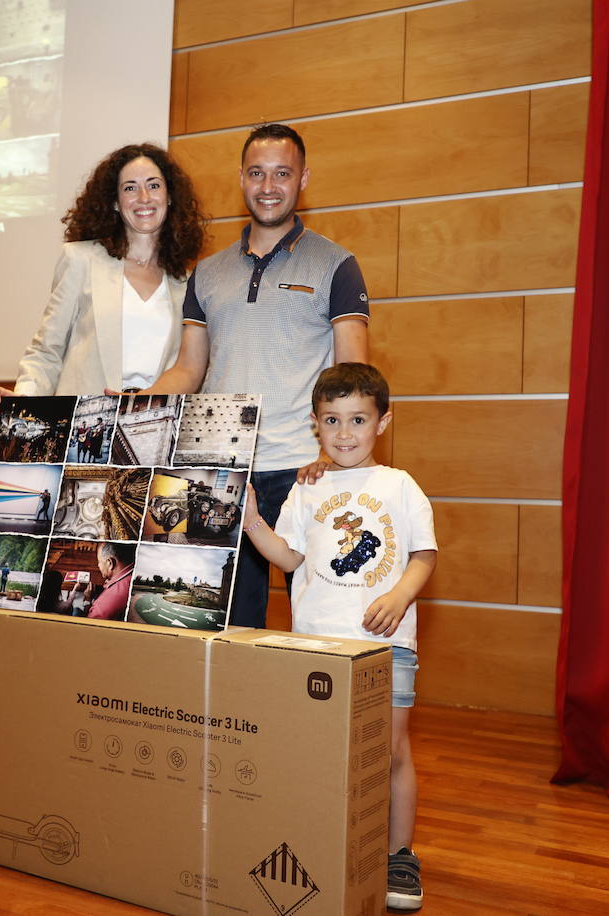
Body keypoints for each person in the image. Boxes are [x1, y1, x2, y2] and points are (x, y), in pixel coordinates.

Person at [138, 123, 370, 628]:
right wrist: (135, 399)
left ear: (303, 178)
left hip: (303, 470)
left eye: (282, 173)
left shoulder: (338, 265)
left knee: (321, 619)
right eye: (257, 173)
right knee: (223, 623)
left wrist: (332, 454)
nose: (269, 186)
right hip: (222, 469)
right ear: (241, 179)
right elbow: (187, 369)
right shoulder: (208, 272)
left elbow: (352, 375)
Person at [240, 363, 436, 912]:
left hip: (386, 644)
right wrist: (254, 521)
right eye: (332, 420)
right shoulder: (308, 489)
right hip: (317, 647)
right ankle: (322, 841)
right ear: (314, 425)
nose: (345, 433)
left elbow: (424, 556)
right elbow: (289, 555)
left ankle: (400, 855)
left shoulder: (400, 486)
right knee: (320, 752)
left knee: (391, 752)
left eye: (357, 420)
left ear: (383, 423)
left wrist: (399, 597)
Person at [0, 144, 207, 415]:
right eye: (130, 188)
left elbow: (188, 369)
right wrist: (22, 400)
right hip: (83, 432)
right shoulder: (80, 260)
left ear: (170, 196)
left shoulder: (186, 282)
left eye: (154, 185)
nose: (144, 197)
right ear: (115, 202)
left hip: (151, 432)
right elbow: (46, 351)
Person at [87, 542, 136, 621]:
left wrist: (87, 600)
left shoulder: (102, 606)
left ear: (110, 563)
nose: (98, 565)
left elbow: (88, 627)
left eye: (99, 561)